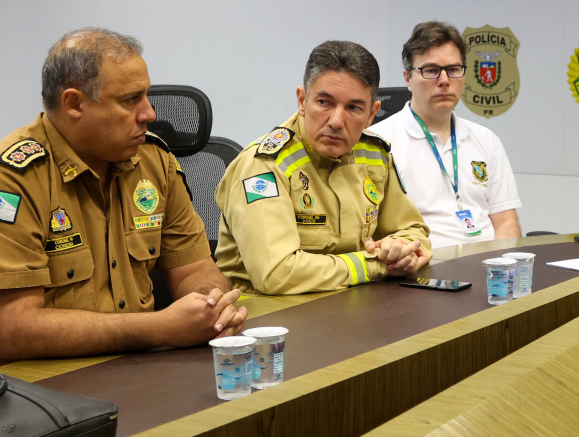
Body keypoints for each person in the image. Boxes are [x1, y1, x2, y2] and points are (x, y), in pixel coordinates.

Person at [0, 28, 247, 363]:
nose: (150, 114)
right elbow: (12, 329)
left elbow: (194, 269)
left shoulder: (154, 161)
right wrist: (158, 328)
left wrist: (210, 306)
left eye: (145, 96)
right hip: (51, 385)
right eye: (131, 100)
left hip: (142, 369)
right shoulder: (14, 178)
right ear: (74, 103)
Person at [214, 40, 432, 294]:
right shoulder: (264, 165)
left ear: (371, 114)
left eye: (353, 108)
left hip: (353, 306)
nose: (336, 121)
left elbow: (414, 232)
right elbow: (276, 274)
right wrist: (375, 264)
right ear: (302, 100)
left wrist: (401, 250)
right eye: (324, 103)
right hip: (268, 318)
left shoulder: (374, 155)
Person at [371, 21, 522, 249]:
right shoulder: (378, 142)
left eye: (453, 70)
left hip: (486, 271)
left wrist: (500, 270)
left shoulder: (486, 140)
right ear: (407, 78)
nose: (444, 80)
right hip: (418, 272)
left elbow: (506, 223)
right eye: (431, 70)